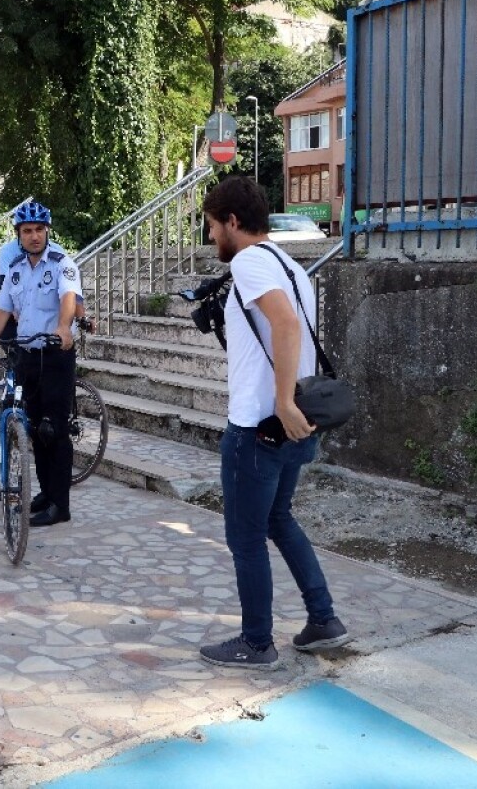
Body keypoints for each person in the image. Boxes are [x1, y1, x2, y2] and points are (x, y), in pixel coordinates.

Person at [197, 176, 352, 670]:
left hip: (259, 425)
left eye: (212, 226)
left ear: (233, 222)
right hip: (292, 424)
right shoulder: (290, 265)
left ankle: (256, 642)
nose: (211, 237)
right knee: (279, 520)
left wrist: (282, 401)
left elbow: (284, 324)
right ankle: (323, 619)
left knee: (246, 537)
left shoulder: (247, 261)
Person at [0, 200, 80, 527]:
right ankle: (46, 493)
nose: (34, 236)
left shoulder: (61, 263)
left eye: (39, 230)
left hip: (55, 355)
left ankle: (61, 505)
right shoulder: (15, 270)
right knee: (34, 430)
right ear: (19, 235)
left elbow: (68, 298)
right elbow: (1, 312)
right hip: (28, 356)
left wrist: (63, 327)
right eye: (27, 231)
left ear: (47, 231)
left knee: (53, 429)